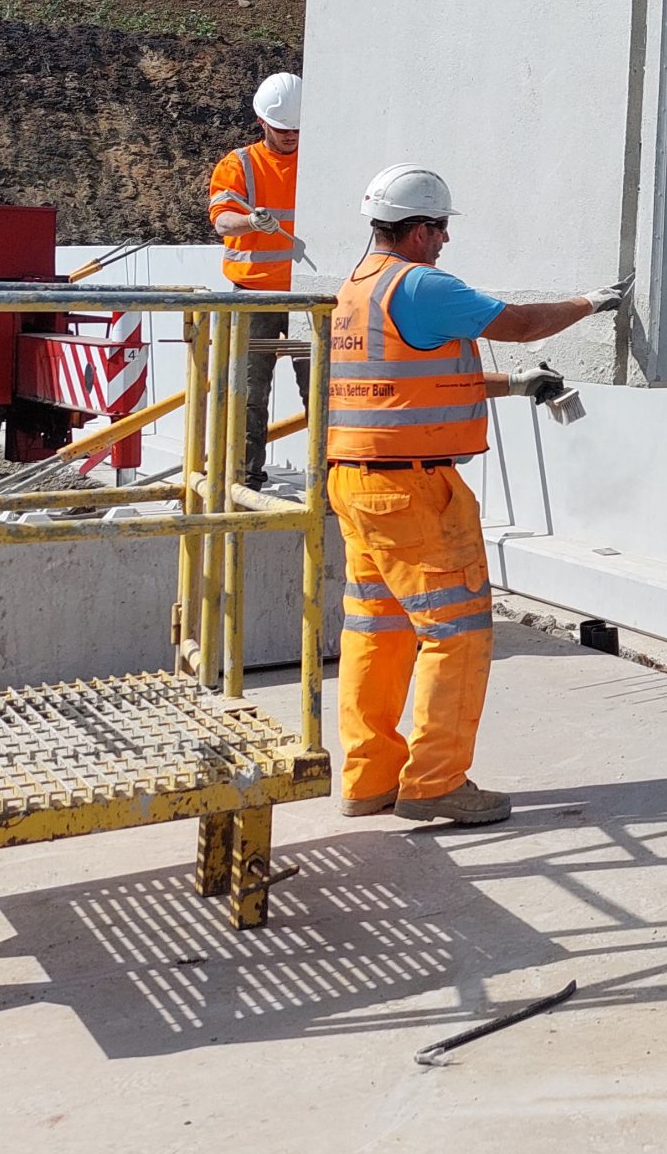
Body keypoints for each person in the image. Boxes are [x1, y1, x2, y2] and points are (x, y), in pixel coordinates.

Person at [327, 163, 625, 827]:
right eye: (439, 229)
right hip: (412, 486)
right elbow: (515, 324)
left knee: (378, 628)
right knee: (456, 633)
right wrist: (588, 303)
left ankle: (368, 777)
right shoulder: (422, 282)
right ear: (417, 230)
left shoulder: (358, 287)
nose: (444, 242)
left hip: (357, 482)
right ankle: (435, 782)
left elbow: (406, 382)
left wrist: (517, 388)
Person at [207, 72, 307, 491]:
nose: (291, 137)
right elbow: (221, 219)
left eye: (298, 129)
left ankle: (332, 477)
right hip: (255, 294)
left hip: (307, 295)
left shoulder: (321, 160)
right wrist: (249, 220)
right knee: (248, 391)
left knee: (324, 390)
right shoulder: (240, 164)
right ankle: (245, 480)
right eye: (283, 130)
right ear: (262, 122)